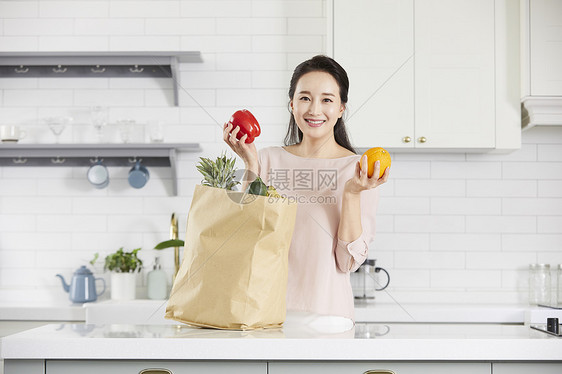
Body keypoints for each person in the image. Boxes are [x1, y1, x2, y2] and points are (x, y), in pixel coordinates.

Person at [223, 55, 389, 325]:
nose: (314, 110)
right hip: (263, 314)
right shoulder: (266, 160)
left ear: (341, 108)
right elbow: (246, 238)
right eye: (304, 98)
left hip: (328, 318)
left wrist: (351, 193)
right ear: (291, 104)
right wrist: (251, 164)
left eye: (326, 100)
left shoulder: (360, 171)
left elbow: (347, 261)